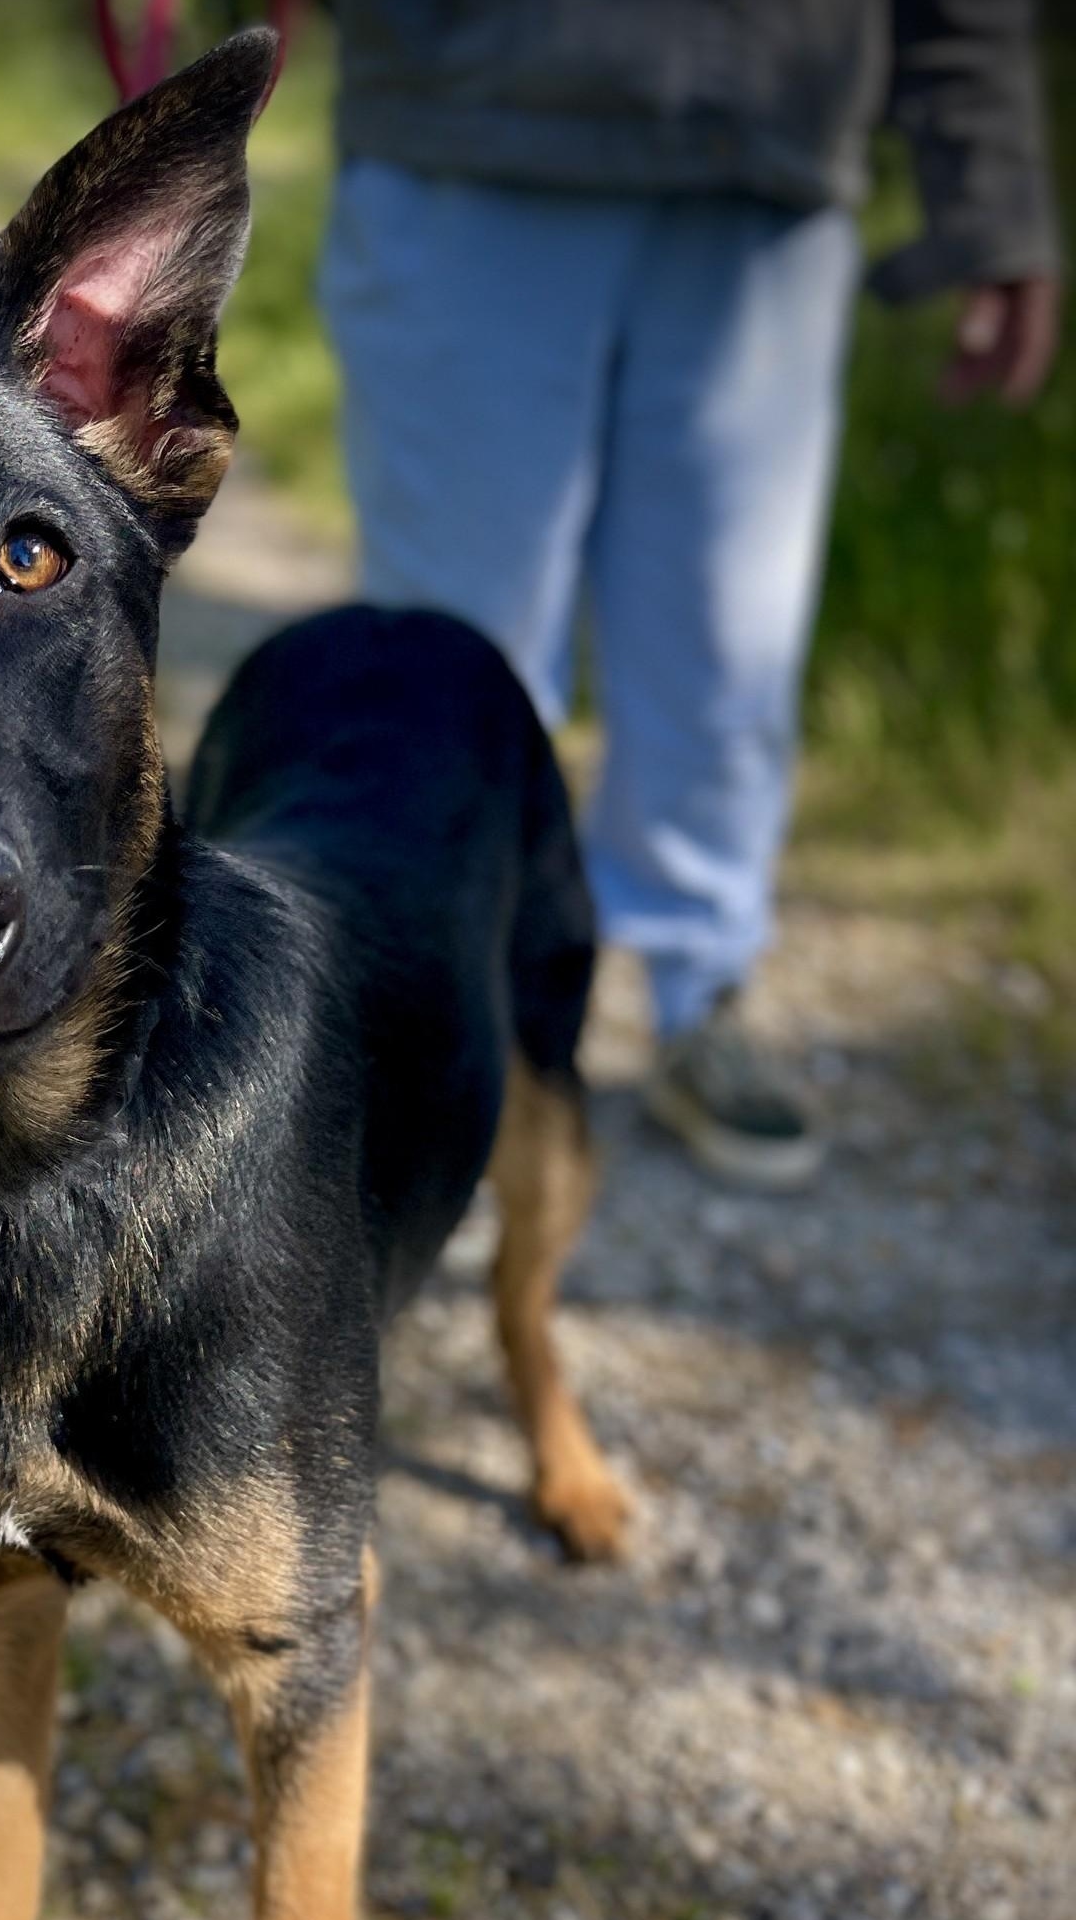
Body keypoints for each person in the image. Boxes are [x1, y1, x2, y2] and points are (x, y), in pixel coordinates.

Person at [319, 0, 1062, 1188]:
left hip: (765, 146)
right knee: (452, 664)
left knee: (729, 646)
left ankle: (702, 988)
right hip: (470, 122)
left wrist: (995, 195)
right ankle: (443, 1026)